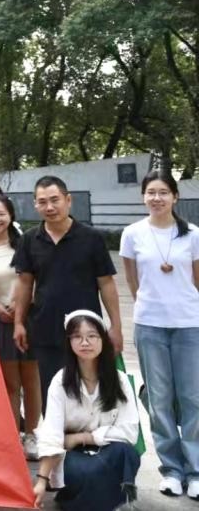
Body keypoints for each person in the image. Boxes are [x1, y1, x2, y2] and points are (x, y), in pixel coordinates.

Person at [118, 170, 199, 498]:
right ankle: (171, 470)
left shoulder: (192, 234)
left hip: (189, 324)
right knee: (159, 398)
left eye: (163, 192)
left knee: (192, 398)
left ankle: (195, 470)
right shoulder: (132, 233)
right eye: (151, 192)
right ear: (143, 197)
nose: (157, 198)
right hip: (150, 324)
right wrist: (150, 304)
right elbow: (132, 279)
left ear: (175, 197)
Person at [13, 176, 121, 402]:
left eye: (55, 200)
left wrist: (116, 326)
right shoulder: (29, 240)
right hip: (46, 329)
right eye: (42, 202)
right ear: (35, 205)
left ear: (68, 200)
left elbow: (106, 283)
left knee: (90, 394)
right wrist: (19, 323)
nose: (49, 207)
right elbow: (24, 283)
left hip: (86, 331)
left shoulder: (91, 238)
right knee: (52, 394)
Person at [34, 311, 141, 511]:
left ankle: (104, 501)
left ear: (103, 340)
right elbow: (52, 434)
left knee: (126, 453)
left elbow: (129, 432)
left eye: (92, 336)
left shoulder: (120, 380)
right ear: (69, 342)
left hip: (106, 449)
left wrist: (81, 437)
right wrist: (41, 480)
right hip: (72, 455)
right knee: (85, 471)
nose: (85, 342)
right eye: (77, 337)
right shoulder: (60, 381)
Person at [0, 194, 42, 460]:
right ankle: (13, 435)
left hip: (28, 317)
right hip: (0, 321)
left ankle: (33, 434)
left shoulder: (24, 244)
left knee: (31, 380)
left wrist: (20, 307)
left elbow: (34, 280)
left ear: (10, 216)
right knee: (10, 383)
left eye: (1, 214)